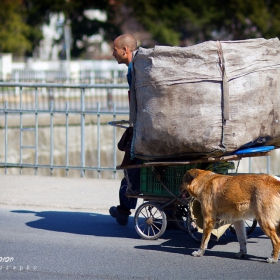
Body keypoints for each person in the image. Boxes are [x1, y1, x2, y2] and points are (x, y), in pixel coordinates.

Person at [109, 34, 141, 225]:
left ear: (125, 50)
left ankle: (123, 210)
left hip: (141, 128)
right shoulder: (140, 64)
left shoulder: (132, 69)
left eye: (114, 49)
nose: (113, 53)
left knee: (130, 167)